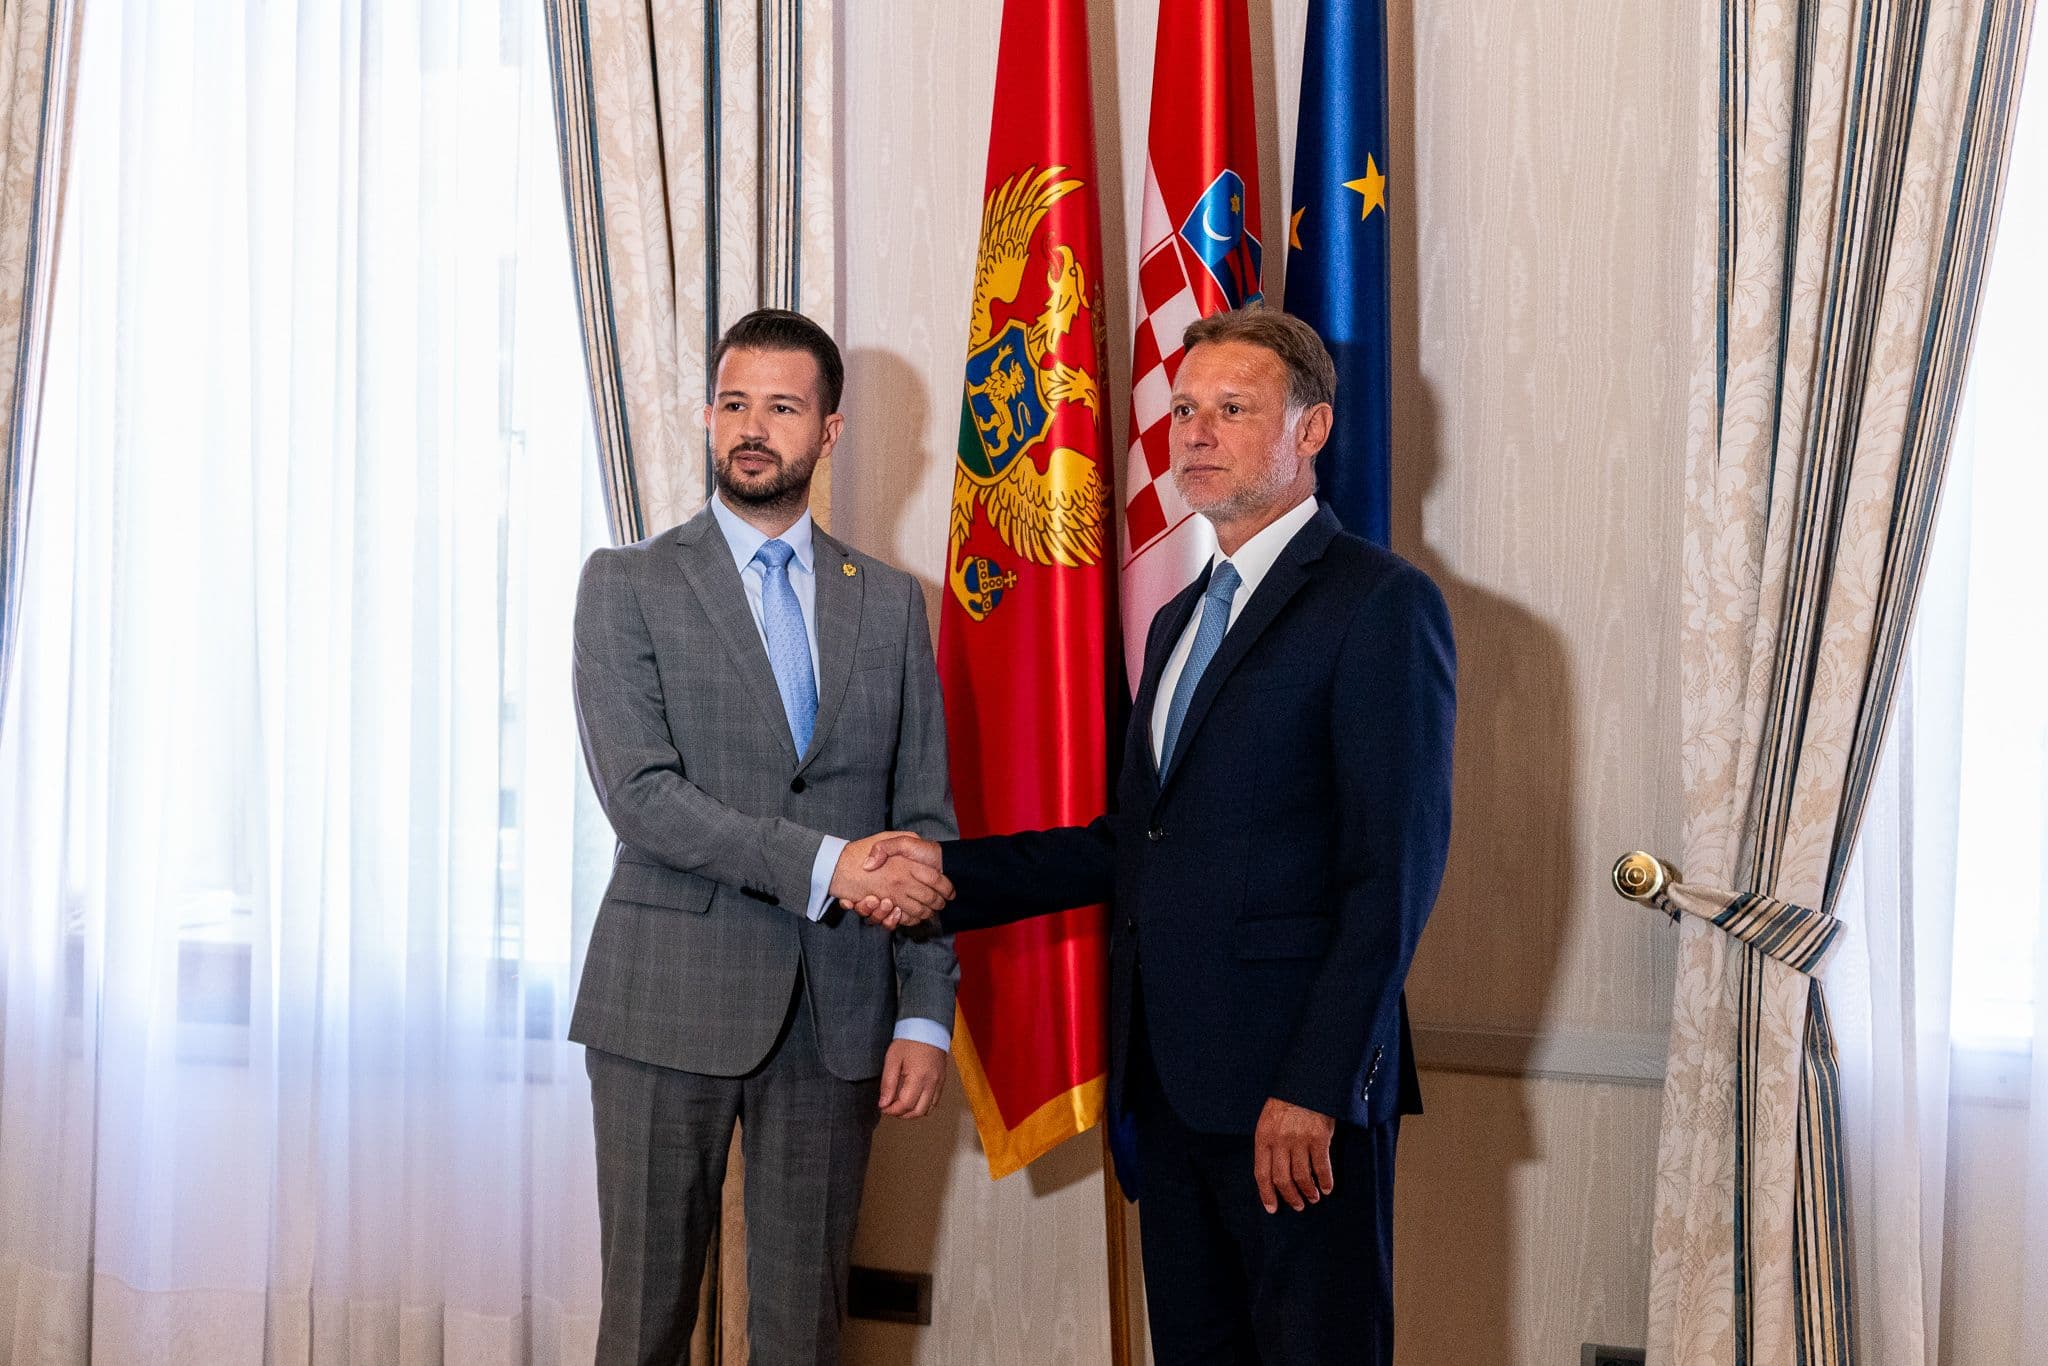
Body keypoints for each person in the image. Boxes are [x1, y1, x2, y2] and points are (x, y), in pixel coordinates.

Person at [855, 307, 1456, 1365]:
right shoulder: (1179, 621)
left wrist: (1314, 1084)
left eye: (1232, 409)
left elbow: (1390, 878)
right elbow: (1134, 841)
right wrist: (945, 871)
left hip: (1295, 1104)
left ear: (1310, 430)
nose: (1196, 433)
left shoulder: (1379, 604)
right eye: (1182, 410)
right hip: (1170, 1094)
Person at [570, 308, 961, 1366]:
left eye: (782, 407)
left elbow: (924, 821)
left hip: (837, 1018)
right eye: (733, 403)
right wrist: (827, 863)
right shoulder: (626, 583)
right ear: (707, 417)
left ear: (827, 431)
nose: (752, 427)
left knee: (802, 1336)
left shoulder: (890, 604)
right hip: (662, 1004)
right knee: (643, 1328)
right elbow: (641, 797)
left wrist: (925, 1012)